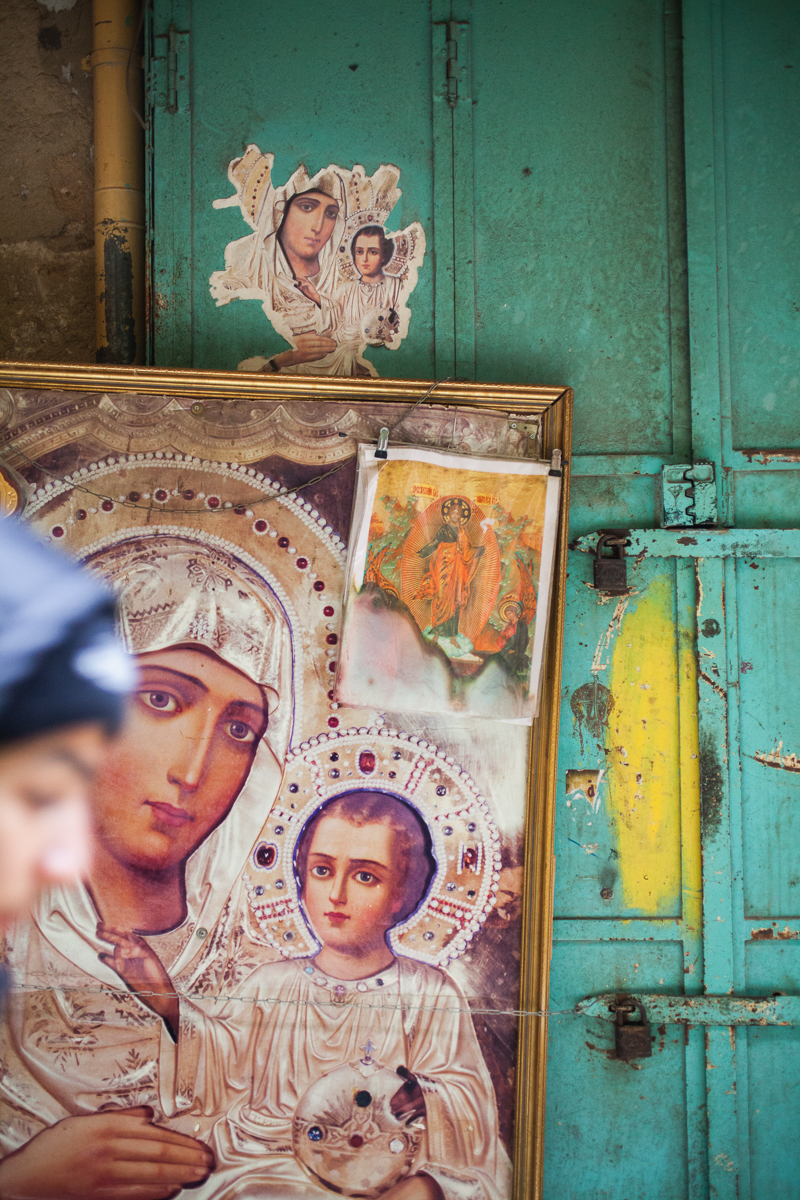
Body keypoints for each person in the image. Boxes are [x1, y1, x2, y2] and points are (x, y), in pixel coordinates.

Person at [0, 534, 293, 1198]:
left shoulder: (273, 964)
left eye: (239, 729)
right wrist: (24, 1182)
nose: (192, 771)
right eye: (161, 700)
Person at [99, 790, 511, 1200]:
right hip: (262, 1159)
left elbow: (468, 1100)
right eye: (322, 870)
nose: (337, 894)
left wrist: (428, 1098)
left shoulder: (428, 993)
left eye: (365, 876)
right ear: (299, 875)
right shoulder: (271, 983)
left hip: (376, 1165)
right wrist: (165, 1001)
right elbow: (221, 1064)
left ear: (401, 893)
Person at [412, 499, 486, 659]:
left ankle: (452, 638)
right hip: (443, 566)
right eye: (453, 512)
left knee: (455, 600)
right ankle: (436, 636)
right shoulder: (444, 529)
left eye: (458, 513)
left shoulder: (462, 531)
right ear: (448, 515)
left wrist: (478, 550)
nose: (455, 515)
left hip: (458, 569)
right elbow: (434, 543)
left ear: (461, 516)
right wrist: (423, 552)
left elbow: (467, 550)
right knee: (440, 598)